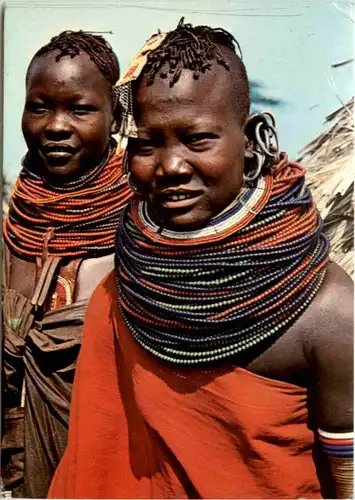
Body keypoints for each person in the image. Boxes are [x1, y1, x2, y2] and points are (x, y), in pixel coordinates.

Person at [48, 20, 353, 499]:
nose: (169, 167)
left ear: (252, 139)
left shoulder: (330, 313)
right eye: (147, 144)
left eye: (198, 139)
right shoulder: (123, 286)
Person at [1, 30, 132, 498]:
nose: (56, 125)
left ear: (115, 115)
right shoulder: (11, 230)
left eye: (80, 109)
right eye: (39, 107)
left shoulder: (147, 231)